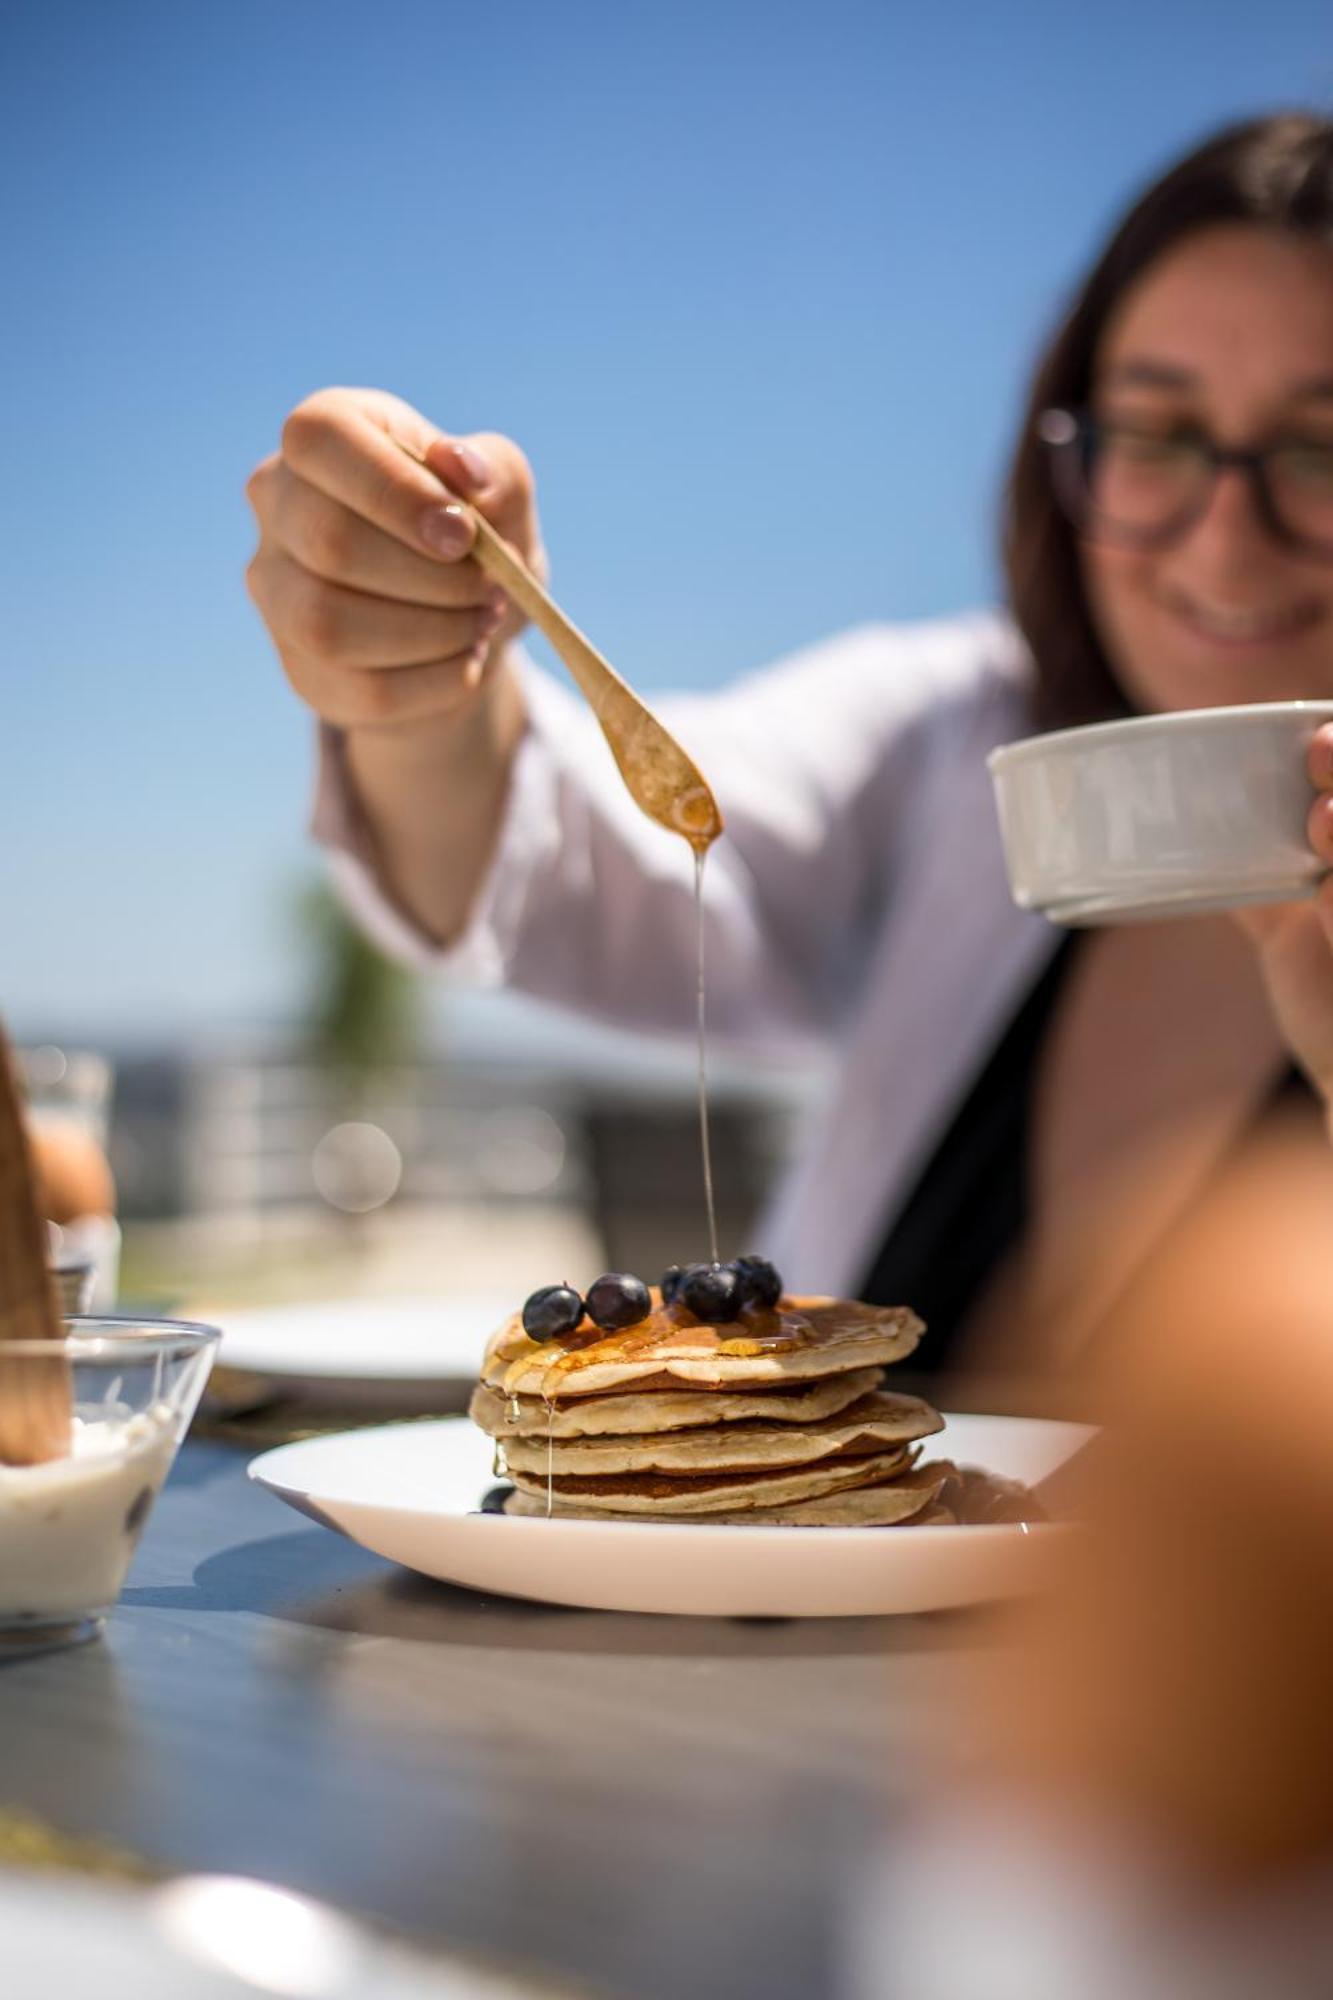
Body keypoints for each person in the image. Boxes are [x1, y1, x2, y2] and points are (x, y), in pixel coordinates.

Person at [245, 113, 1333, 1381]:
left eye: (1319, 450)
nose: (1221, 542)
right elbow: (578, 849)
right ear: (1069, 454)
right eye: (1155, 437)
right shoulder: (957, 734)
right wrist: (424, 674)